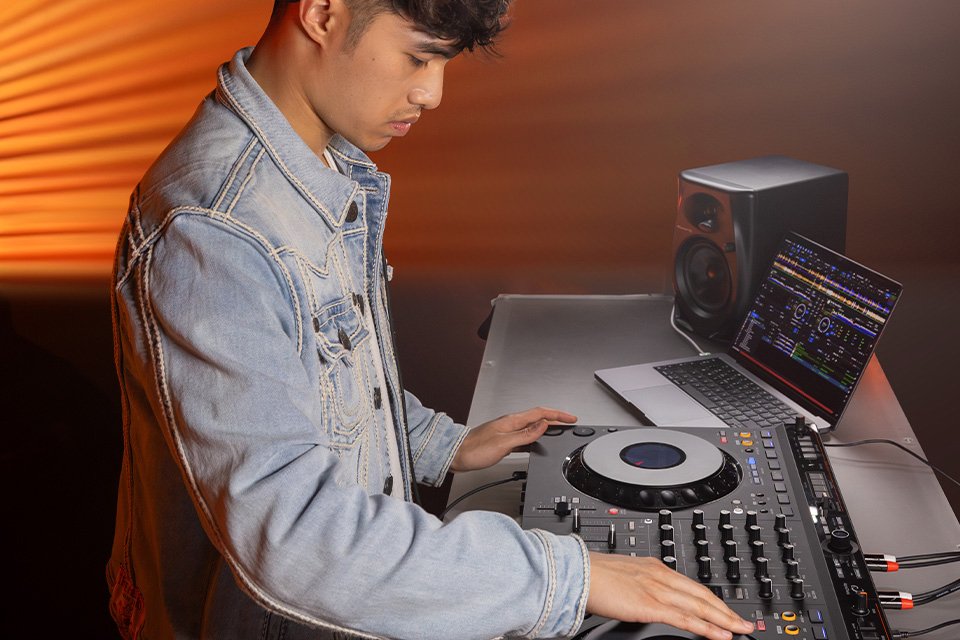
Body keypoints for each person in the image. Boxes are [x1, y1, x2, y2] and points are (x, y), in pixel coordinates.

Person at [106, 1, 757, 639]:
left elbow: (323, 382)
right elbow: (293, 535)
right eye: (418, 58)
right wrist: (567, 579)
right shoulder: (215, 227)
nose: (432, 93)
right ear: (323, 13)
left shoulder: (315, 159)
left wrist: (442, 445)